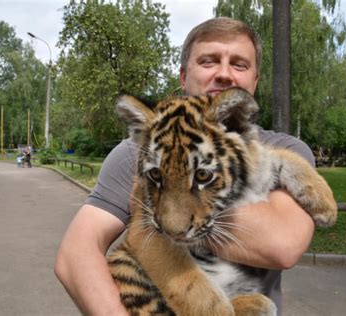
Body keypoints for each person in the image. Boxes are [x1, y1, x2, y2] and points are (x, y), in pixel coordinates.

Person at [55, 17, 315, 316]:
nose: (224, 74)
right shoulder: (136, 150)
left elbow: (282, 245)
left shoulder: (288, 150)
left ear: (255, 80)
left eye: (240, 64)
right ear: (183, 76)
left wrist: (149, 218)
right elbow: (75, 253)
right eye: (208, 61)